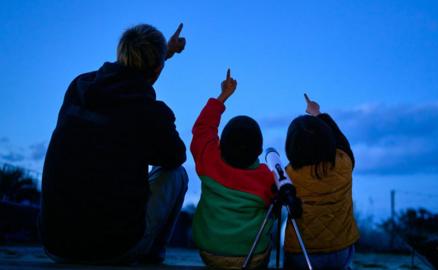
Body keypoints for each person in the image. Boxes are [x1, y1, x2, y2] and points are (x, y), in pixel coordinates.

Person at [40, 23, 188, 264]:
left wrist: (164, 54)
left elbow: (126, 79)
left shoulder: (79, 87)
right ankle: (150, 255)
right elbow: (175, 156)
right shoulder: (151, 113)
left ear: (121, 54)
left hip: (55, 244)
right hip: (114, 248)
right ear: (158, 70)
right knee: (177, 175)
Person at [190, 69, 275, 269]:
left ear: (221, 144)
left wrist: (223, 97)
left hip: (209, 252)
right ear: (259, 150)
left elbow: (203, 129)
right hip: (252, 256)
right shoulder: (266, 177)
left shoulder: (208, 159)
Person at [283, 94, 359, 270]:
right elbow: (341, 141)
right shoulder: (344, 163)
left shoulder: (289, 174)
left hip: (301, 252)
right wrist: (317, 114)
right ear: (328, 140)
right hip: (341, 250)